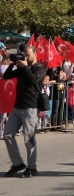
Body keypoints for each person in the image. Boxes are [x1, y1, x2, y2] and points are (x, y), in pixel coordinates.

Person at [2, 45, 46, 178]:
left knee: (29, 139)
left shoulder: (40, 68)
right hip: (17, 107)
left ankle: (32, 168)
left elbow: (33, 80)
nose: (25, 57)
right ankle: (17, 164)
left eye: (27, 54)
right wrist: (14, 63)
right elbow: (6, 76)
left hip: (30, 108)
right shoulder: (21, 68)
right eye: (24, 54)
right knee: (7, 135)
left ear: (34, 54)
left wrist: (25, 66)